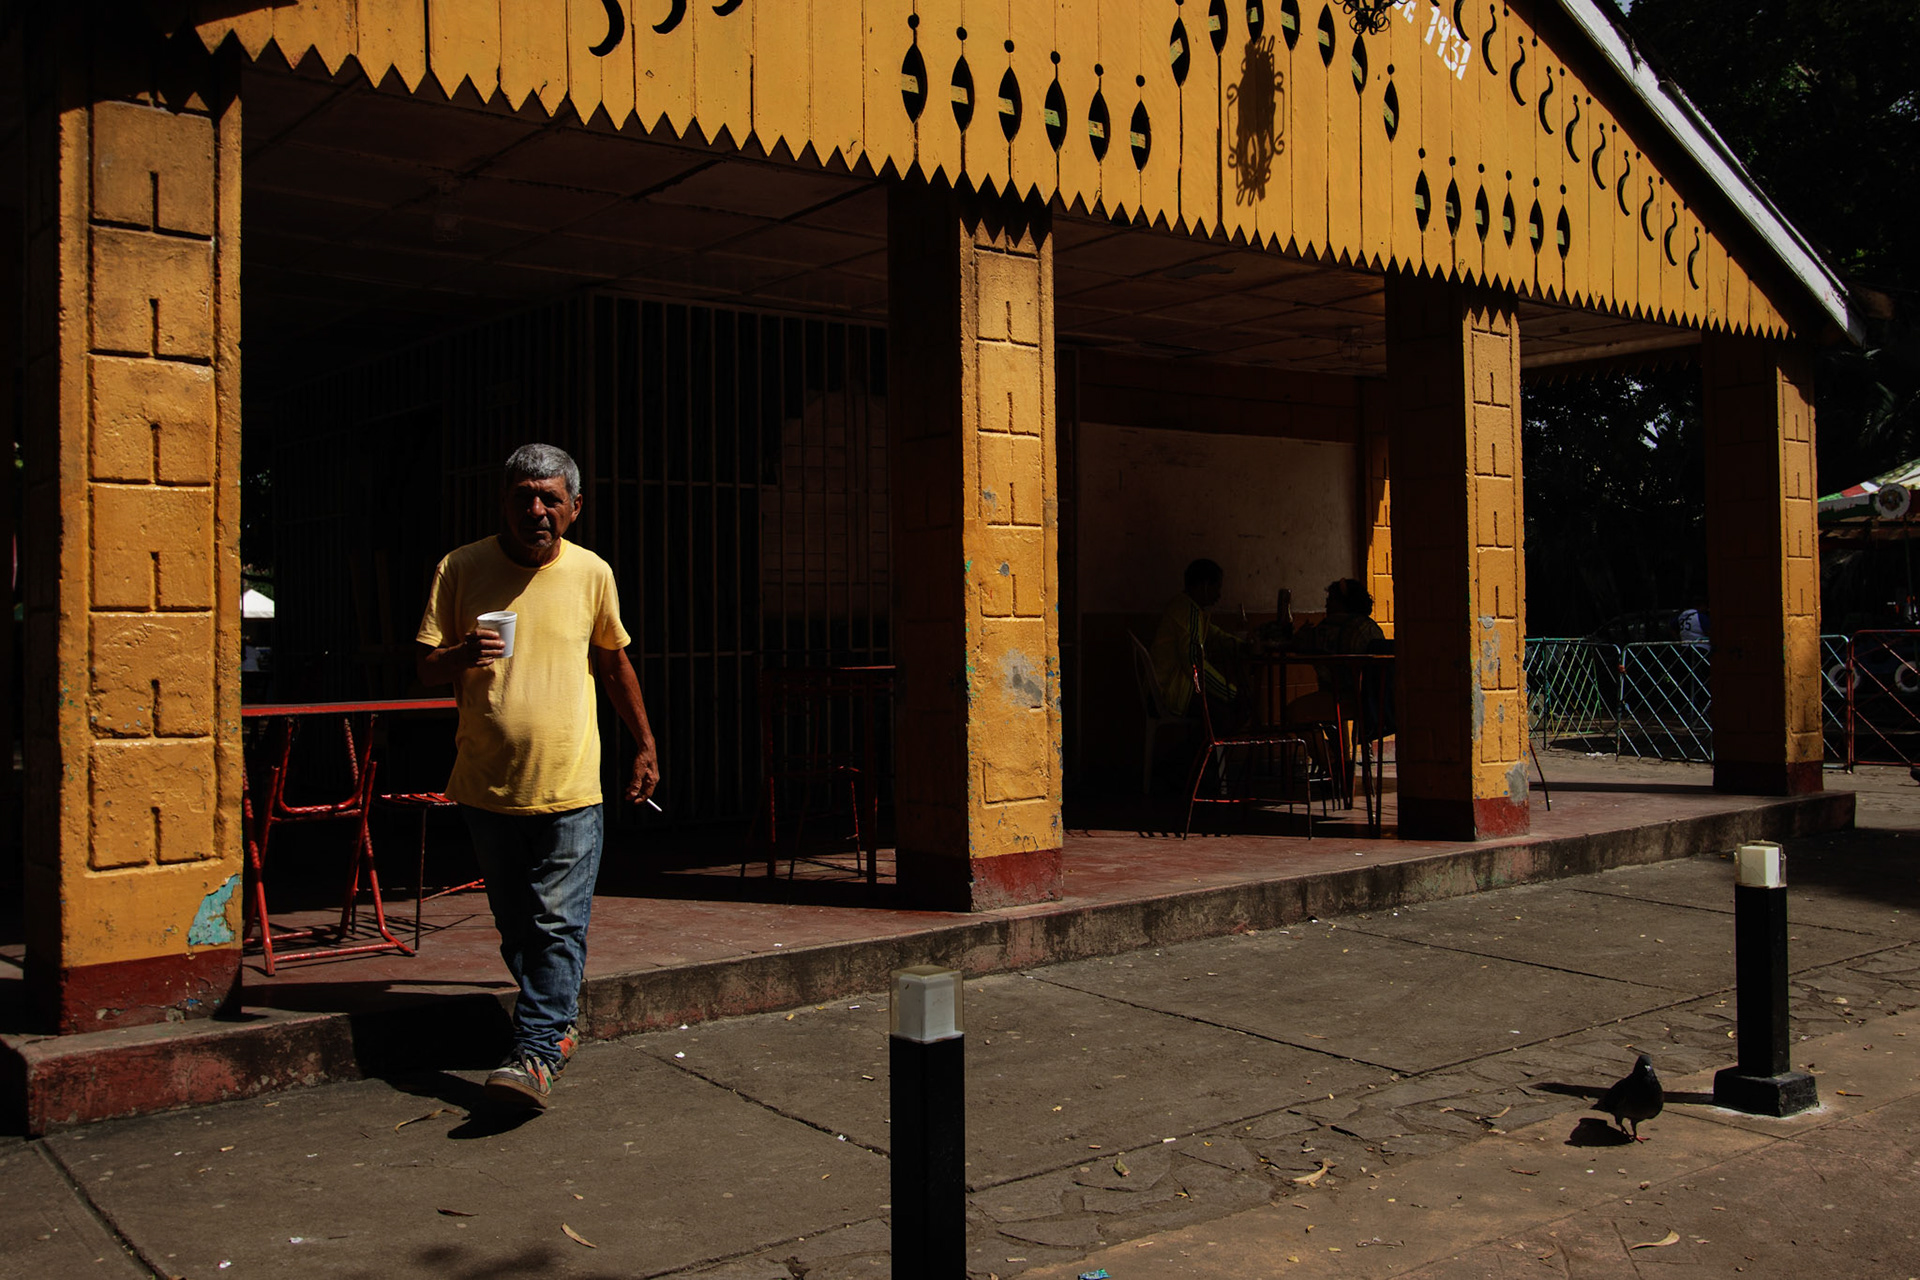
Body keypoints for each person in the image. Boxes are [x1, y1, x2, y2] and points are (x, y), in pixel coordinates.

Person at [416, 443, 659, 1110]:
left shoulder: (592, 573)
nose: (536, 510)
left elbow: (614, 662)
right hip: (487, 784)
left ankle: (536, 1054)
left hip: (571, 785)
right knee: (517, 926)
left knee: (557, 923)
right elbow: (425, 666)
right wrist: (461, 654)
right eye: (524, 496)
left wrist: (644, 744)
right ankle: (557, 1026)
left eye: (550, 498)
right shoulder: (461, 568)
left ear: (575, 508)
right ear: (505, 502)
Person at [1149, 558, 1251, 720]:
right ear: (1204, 586)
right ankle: (1202, 739)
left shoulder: (1185, 607)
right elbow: (1194, 664)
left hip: (1168, 688)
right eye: (1217, 588)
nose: (1219, 595)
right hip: (1173, 693)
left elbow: (1214, 634)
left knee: (1234, 706)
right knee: (1234, 712)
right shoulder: (1189, 613)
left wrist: (1242, 646)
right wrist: (1230, 692)